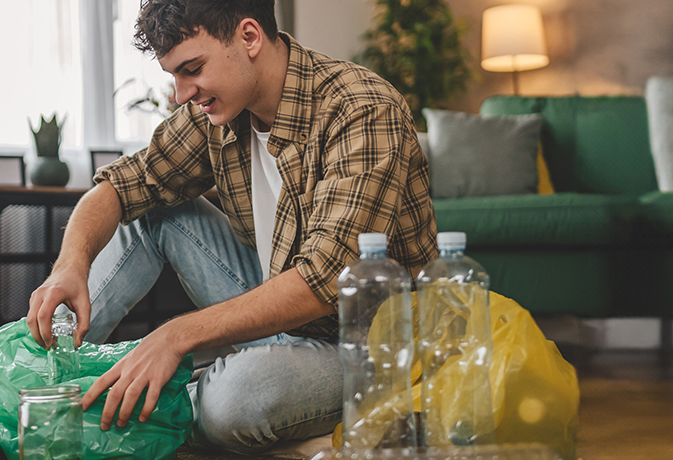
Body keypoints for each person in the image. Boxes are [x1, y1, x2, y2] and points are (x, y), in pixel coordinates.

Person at [23, 0, 436, 454]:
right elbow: (120, 186)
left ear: (250, 37)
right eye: (174, 76)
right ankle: (33, 378)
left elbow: (323, 281)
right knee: (153, 211)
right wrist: (69, 264)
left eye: (192, 69)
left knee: (233, 402)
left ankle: (111, 401)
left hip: (368, 348)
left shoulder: (362, 109)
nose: (181, 94)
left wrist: (174, 336)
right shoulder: (220, 109)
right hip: (284, 315)